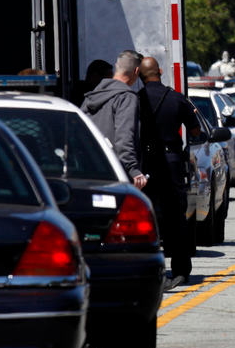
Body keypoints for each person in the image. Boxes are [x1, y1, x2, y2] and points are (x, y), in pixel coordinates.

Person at [137, 57, 201, 289]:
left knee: (143, 216)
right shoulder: (176, 98)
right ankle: (181, 271)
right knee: (175, 217)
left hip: (144, 163)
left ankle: (145, 268)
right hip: (171, 161)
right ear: (161, 72)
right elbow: (195, 131)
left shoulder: (135, 101)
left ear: (139, 74)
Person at [81, 50, 147, 190]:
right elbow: (124, 136)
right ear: (136, 71)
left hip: (90, 170)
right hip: (116, 174)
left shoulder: (91, 97)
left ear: (117, 66)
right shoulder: (126, 97)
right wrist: (133, 170)